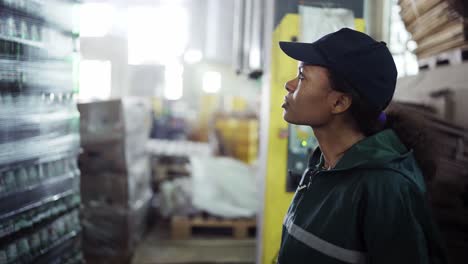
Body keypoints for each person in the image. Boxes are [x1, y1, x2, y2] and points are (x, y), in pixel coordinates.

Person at [277, 28, 448, 264]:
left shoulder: (385, 187)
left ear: (339, 102)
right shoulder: (322, 164)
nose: (289, 84)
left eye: (303, 77)